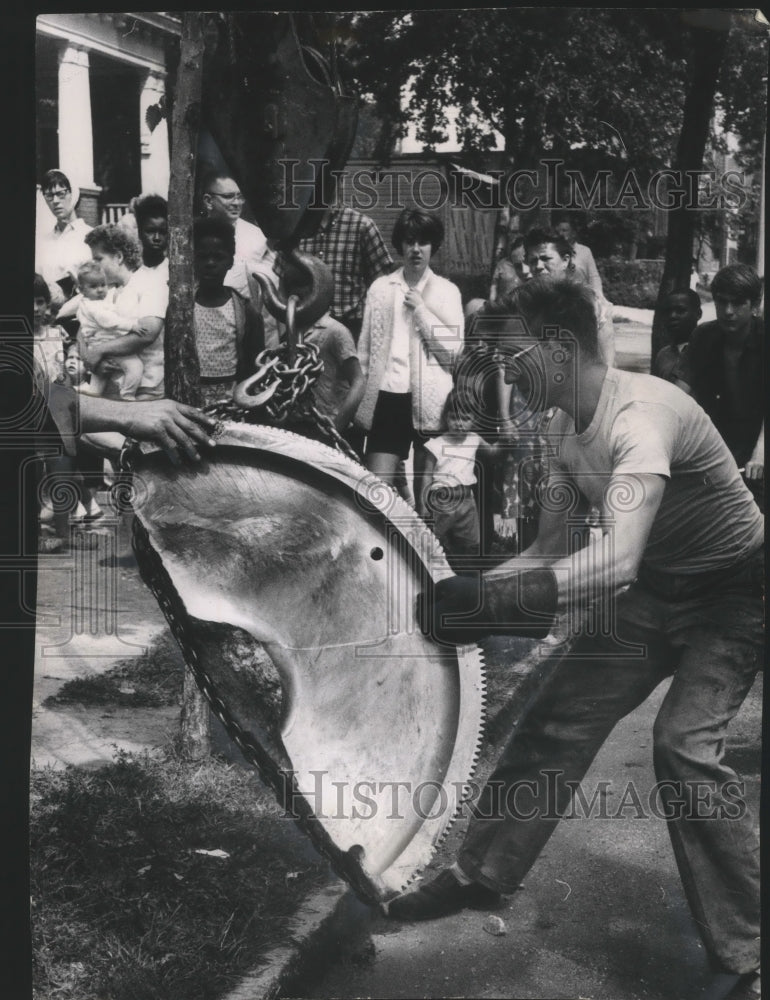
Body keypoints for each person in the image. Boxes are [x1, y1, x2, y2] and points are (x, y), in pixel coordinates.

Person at [387, 277, 763, 1000]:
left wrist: (501, 600)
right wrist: (469, 593)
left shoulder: (640, 418)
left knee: (683, 746)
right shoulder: (562, 428)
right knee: (557, 715)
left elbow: (614, 558)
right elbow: (552, 550)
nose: (503, 371)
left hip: (736, 590)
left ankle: (747, 945)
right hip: (656, 587)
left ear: (559, 349)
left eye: (515, 353)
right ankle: (481, 873)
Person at [354, 208, 464, 505]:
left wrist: (421, 311)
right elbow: (365, 351)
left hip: (431, 403)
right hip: (387, 397)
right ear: (401, 245)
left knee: (428, 500)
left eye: (424, 242)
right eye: (410, 241)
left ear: (433, 247)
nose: (416, 249)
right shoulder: (380, 288)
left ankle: (424, 550)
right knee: (376, 492)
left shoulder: (446, 291)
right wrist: (362, 401)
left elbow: (454, 352)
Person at [683, 264, 764, 511]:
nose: (728, 311)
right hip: (717, 442)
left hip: (759, 441)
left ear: (755, 305)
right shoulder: (703, 336)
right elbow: (680, 392)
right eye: (722, 302)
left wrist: (761, 453)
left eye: (738, 303)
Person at [420, 383, 515, 572]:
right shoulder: (435, 444)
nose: (459, 423)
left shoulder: (474, 439)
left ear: (473, 419)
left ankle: (466, 576)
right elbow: (426, 475)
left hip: (467, 500)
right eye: (454, 417)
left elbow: (493, 453)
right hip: (442, 499)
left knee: (470, 544)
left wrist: (506, 439)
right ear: (446, 416)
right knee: (433, 542)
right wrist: (423, 505)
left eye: (465, 418)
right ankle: (431, 574)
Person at [279, 258, 365, 435]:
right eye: (292, 286)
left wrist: (337, 426)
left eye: (305, 286)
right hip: (299, 425)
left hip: (330, 425)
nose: (298, 292)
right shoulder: (290, 333)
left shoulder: (335, 331)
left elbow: (358, 381)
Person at [292, 198, 395, 343]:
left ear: (339, 179)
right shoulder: (295, 228)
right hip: (307, 333)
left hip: (353, 330)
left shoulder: (362, 225)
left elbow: (383, 289)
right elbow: (282, 284)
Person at [192, 216, 265, 408]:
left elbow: (254, 363)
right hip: (192, 398)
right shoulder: (183, 309)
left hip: (231, 400)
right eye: (203, 257)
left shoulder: (245, 311)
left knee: (222, 437)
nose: (210, 263)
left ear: (230, 261)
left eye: (218, 257)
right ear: (193, 260)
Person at [525, 228, 615, 366]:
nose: (538, 266)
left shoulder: (591, 303)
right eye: (532, 261)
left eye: (545, 259)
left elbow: (608, 364)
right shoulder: (523, 303)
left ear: (565, 260)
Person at [74, 261, 143, 400]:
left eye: (102, 285)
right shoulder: (94, 307)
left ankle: (88, 394)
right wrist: (131, 325)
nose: (100, 290)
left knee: (97, 385)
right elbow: (109, 321)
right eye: (93, 286)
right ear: (81, 290)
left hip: (96, 345)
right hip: (109, 344)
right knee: (135, 367)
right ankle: (128, 394)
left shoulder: (86, 303)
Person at [35, 169, 92, 309]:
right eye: (49, 195)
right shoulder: (42, 241)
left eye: (60, 194)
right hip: (44, 317)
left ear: (73, 194)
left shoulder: (90, 237)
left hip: (79, 318)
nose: (55, 201)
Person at [652, 288, 701, 386]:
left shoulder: (707, 351)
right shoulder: (663, 355)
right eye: (668, 311)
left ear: (698, 314)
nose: (672, 316)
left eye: (680, 311)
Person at [552, 214, 604, 298]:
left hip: (582, 298)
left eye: (564, 230)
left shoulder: (585, 251)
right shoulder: (553, 252)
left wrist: (599, 296)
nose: (561, 234)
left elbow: (593, 277)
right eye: (558, 231)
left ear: (573, 233)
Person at [133, 194, 169, 281]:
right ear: (140, 232)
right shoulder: (131, 272)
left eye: (162, 232)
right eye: (150, 231)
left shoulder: (172, 273)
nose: (157, 238)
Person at [488, 235, 531, 303]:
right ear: (515, 248)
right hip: (502, 305)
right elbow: (494, 286)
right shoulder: (501, 265)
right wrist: (491, 303)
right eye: (523, 249)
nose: (525, 253)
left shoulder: (526, 266)